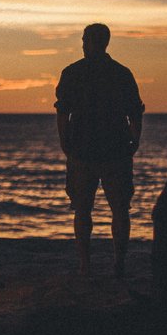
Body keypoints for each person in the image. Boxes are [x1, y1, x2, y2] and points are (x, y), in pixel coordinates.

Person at [54, 23, 144, 276]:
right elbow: (135, 113)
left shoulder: (74, 72)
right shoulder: (121, 73)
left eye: (85, 40)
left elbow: (63, 111)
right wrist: (135, 140)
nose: (82, 45)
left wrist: (65, 141)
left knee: (88, 209)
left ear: (95, 42)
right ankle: (116, 263)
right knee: (114, 209)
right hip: (108, 150)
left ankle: (91, 264)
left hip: (88, 151)